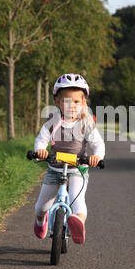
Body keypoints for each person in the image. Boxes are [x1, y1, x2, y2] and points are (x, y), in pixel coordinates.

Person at [33, 73, 105, 244]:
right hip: (54, 169)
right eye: (66, 101)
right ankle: (40, 221)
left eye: (76, 102)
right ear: (58, 102)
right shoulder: (52, 121)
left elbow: (98, 144)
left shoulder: (86, 123)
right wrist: (41, 150)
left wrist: (96, 156)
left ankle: (78, 223)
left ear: (83, 103)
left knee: (76, 200)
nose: (71, 106)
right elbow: (41, 140)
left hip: (77, 170)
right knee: (42, 206)